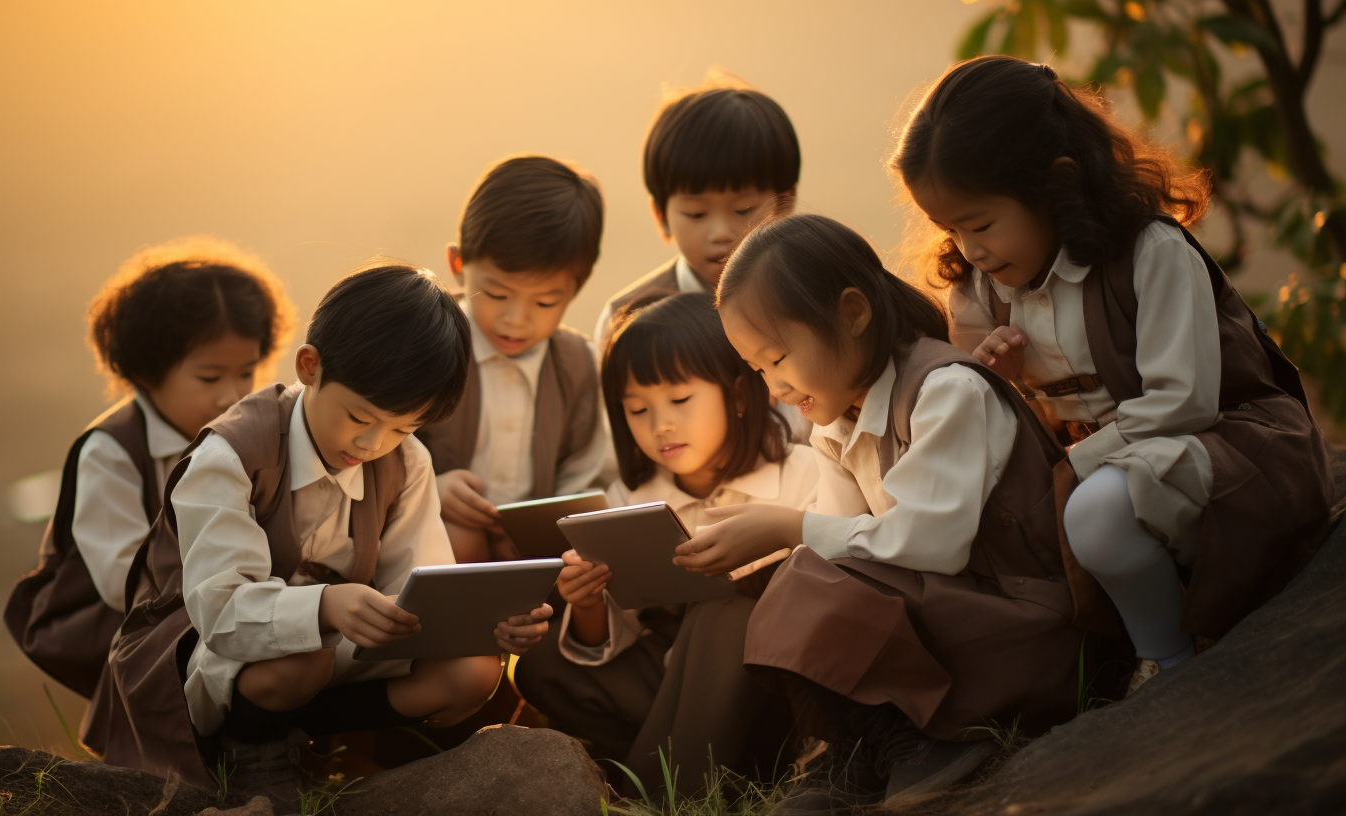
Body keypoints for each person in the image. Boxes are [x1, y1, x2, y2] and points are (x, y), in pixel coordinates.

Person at [892, 55, 1333, 689]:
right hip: (1105, 467)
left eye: (982, 224)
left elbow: (1184, 402)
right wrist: (1011, 383)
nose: (971, 250)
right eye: (950, 230)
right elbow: (1011, 427)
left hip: (1226, 446)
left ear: (1057, 183)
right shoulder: (978, 295)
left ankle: (1171, 663)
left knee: (1096, 513)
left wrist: (1075, 463)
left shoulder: (1150, 252)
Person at [86, 265, 553, 805]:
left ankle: (305, 738)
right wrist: (326, 606)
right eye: (359, 416)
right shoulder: (231, 456)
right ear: (310, 366)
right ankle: (251, 747)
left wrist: (485, 625)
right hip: (210, 651)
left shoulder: (404, 462)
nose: (374, 441)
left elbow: (419, 590)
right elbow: (221, 612)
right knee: (302, 652)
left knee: (470, 672)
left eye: (403, 427)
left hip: (333, 649)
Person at [687, 213, 1093, 807]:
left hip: (1027, 628)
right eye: (758, 370)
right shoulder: (835, 426)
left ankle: (916, 740)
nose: (773, 386)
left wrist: (786, 527)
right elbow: (841, 561)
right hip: (953, 627)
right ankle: (857, 748)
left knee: (803, 568)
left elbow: (933, 543)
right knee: (798, 575)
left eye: (778, 358)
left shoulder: (947, 391)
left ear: (852, 314)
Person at [515, 293, 815, 797]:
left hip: (777, 691)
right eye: (637, 409)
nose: (661, 426)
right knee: (545, 663)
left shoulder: (802, 474)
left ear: (739, 395)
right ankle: (719, 771)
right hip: (669, 683)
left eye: (680, 400)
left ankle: (658, 793)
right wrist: (588, 601)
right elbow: (617, 634)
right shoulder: (629, 501)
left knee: (728, 611)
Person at [5, 237, 291, 698]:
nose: (232, 395)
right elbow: (123, 580)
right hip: (144, 632)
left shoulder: (249, 435)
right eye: (209, 377)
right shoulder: (112, 451)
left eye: (247, 372)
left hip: (230, 607)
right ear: (146, 369)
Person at [420, 155, 612, 562]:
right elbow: (380, 444)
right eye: (497, 295)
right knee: (458, 537)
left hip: (535, 549)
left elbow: (586, 471)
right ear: (458, 265)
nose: (516, 319)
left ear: (574, 289)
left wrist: (549, 523)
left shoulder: (578, 366)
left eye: (545, 301)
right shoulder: (425, 342)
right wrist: (430, 486)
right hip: (433, 530)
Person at [592, 70, 800, 349]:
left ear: (784, 203)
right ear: (660, 214)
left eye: (743, 209)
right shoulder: (627, 322)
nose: (721, 233)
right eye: (696, 214)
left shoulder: (816, 297)